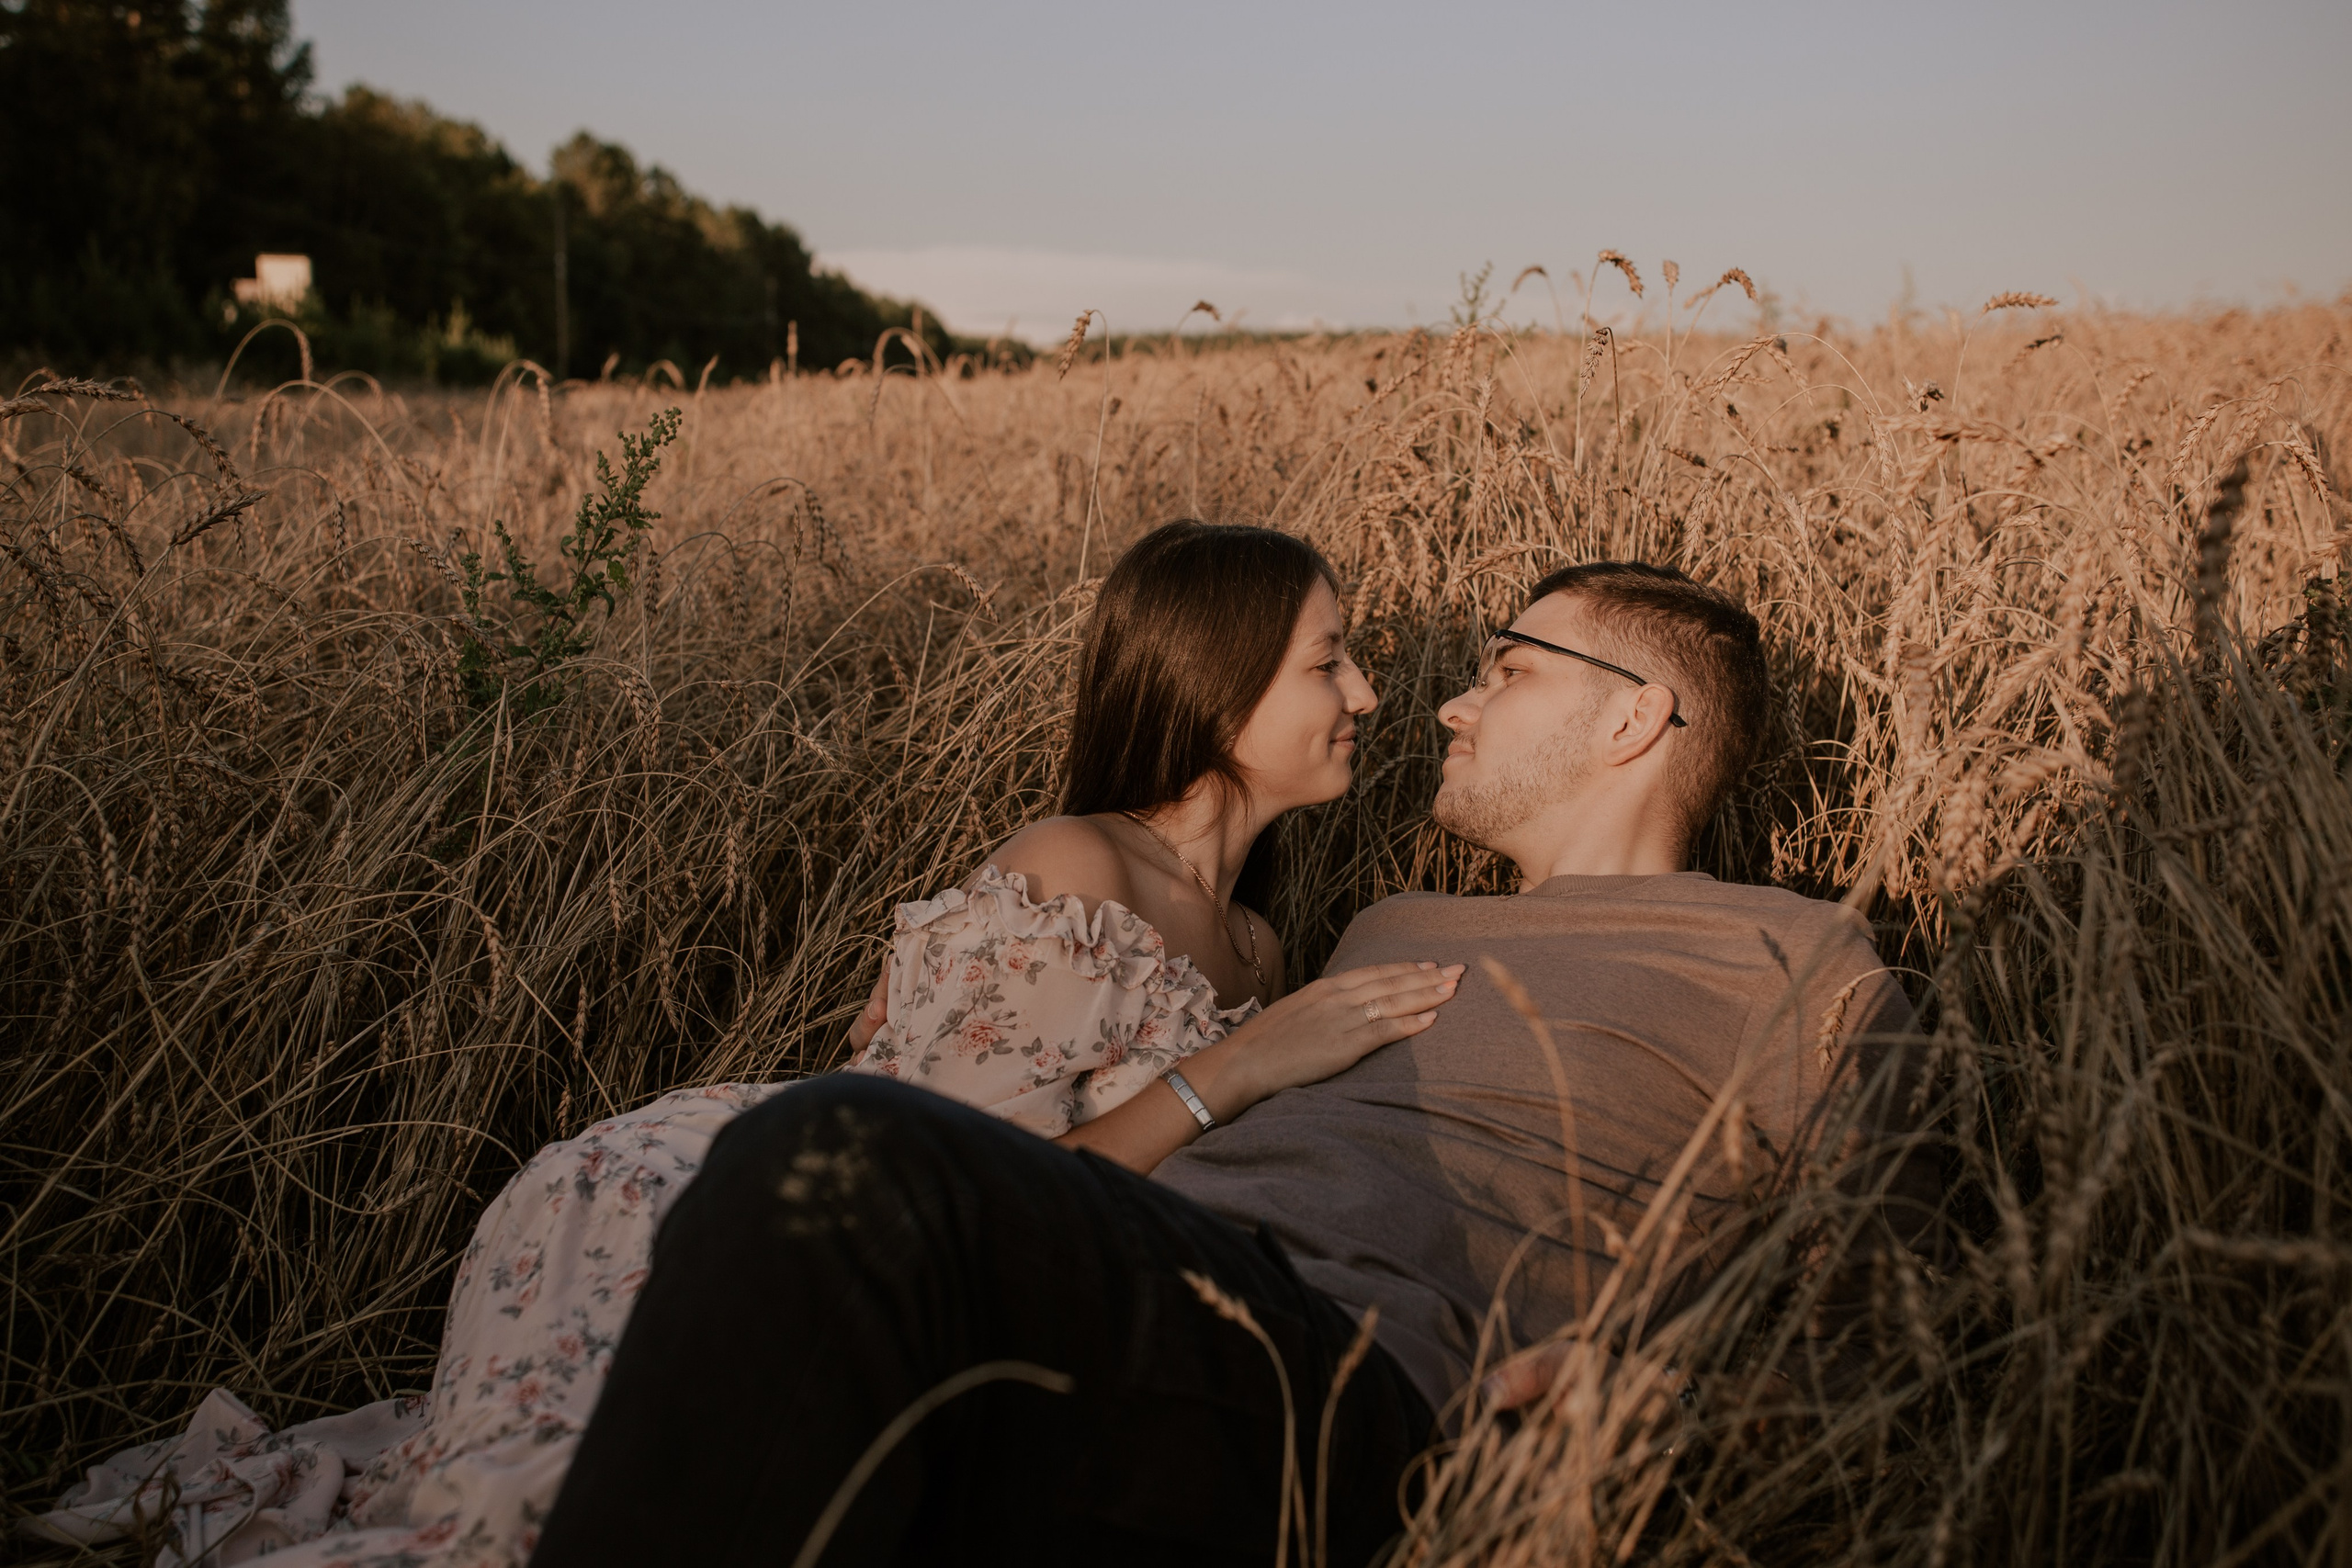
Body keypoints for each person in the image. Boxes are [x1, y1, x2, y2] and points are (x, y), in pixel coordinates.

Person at [30, 523, 1462, 1568]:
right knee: (566, 1521)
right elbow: (969, 1173)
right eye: (1327, 664)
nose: (1366, 699)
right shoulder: (1075, 862)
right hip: (716, 1203)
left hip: (882, 1249)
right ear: (1217, 691)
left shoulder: (1264, 945)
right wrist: (1235, 1073)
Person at [529, 562, 1929, 1568]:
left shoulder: (1795, 957)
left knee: (838, 1156)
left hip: (1343, 1364)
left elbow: (1890, 1296)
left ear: (1632, 721)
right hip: (1140, 1274)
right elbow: (1104, 1015)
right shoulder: (1382, 923)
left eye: (1506, 673)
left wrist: (1662, 1384)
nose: (1445, 706)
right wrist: (960, 964)